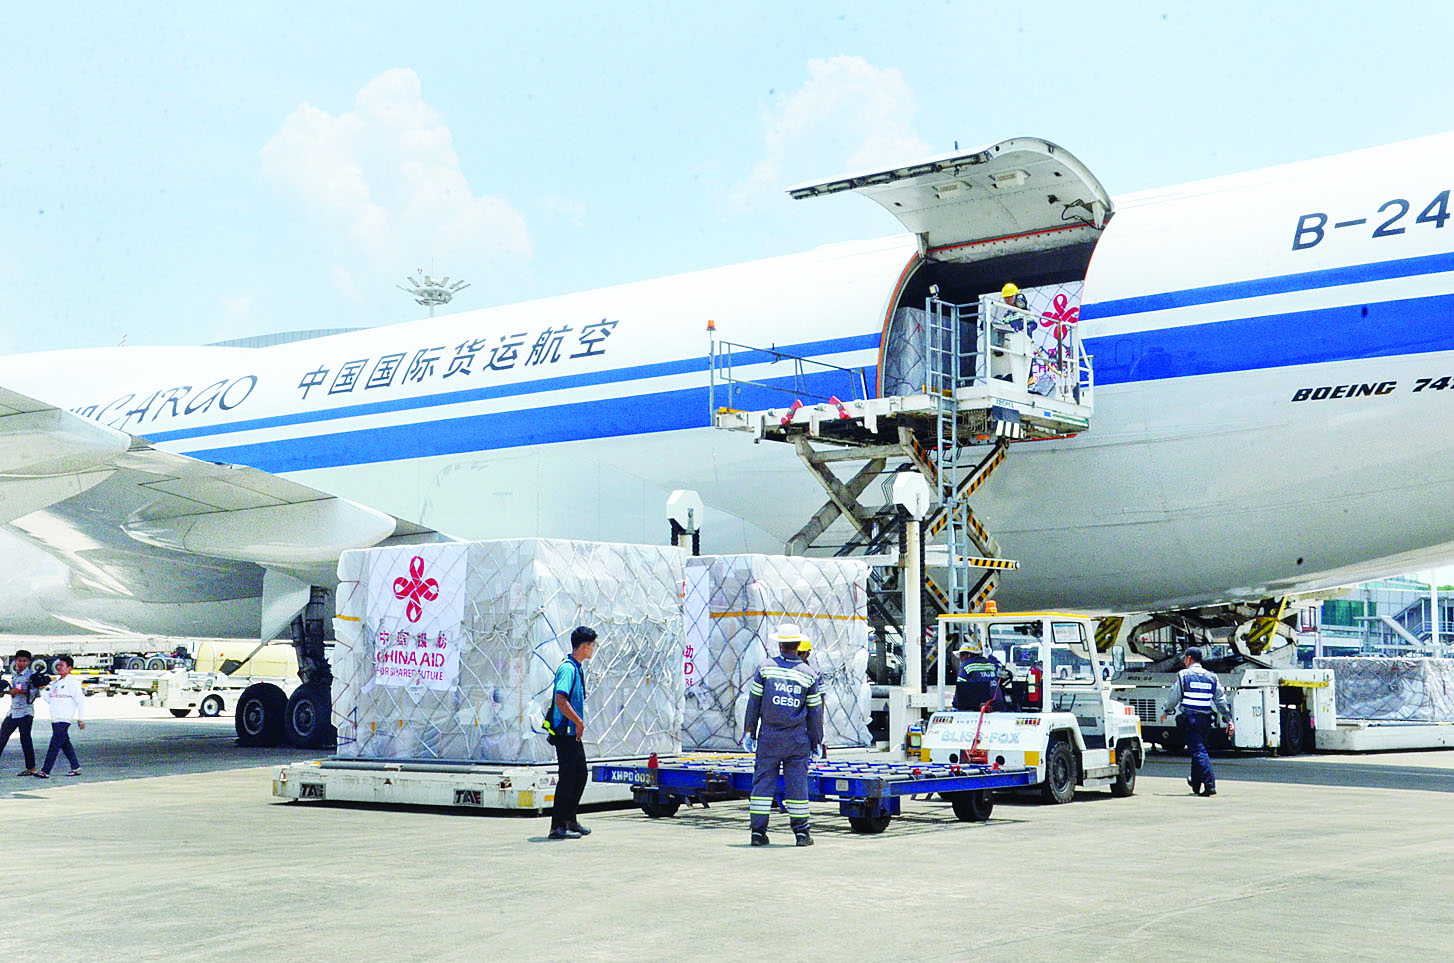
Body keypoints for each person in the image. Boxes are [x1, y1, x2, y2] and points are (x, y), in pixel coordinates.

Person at [742, 623, 823, 847]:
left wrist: (749, 731)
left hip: (769, 738)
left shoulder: (765, 668)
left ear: (779, 644)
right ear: (799, 645)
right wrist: (817, 741)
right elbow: (815, 713)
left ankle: (758, 834)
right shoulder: (809, 675)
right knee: (797, 785)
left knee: (762, 785)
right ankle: (802, 834)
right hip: (797, 740)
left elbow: (754, 703)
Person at [1161, 647, 1232, 797]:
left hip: (1190, 719)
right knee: (1197, 749)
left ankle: (1209, 784)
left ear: (1189, 659)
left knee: (1198, 751)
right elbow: (1220, 700)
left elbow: (1174, 696)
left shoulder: (1183, 675)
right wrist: (1228, 718)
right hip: (1205, 720)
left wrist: (1166, 710)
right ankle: (1196, 783)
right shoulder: (1212, 677)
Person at [546, 626, 596, 840]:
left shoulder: (577, 668)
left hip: (572, 732)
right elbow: (560, 699)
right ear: (583, 646)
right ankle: (557, 825)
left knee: (580, 774)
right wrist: (578, 721)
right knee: (568, 778)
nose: (592, 650)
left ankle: (569, 819)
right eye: (591, 646)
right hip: (565, 732)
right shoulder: (568, 669)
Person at [36, 654, 84, 778]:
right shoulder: (56, 683)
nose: (59, 667)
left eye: (62, 665)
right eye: (58, 665)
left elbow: (80, 700)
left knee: (54, 745)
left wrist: (81, 718)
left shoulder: (72, 683)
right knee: (65, 743)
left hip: (64, 718)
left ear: (69, 668)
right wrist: (42, 689)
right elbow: (49, 699)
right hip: (55, 717)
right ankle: (75, 766)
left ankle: (45, 770)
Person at [1, 649, 38, 776]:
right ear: (15, 661)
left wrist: (19, 692)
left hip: (26, 712)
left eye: (24, 661)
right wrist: (8, 692)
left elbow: (34, 694)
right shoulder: (15, 675)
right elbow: (14, 692)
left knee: (25, 740)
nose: (21, 663)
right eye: (19, 660)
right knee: (2, 738)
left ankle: (31, 767)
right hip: (13, 711)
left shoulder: (32, 676)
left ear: (29, 662)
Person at [952, 641, 1013, 712]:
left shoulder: (966, 666)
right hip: (997, 705)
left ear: (969, 654)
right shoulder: (992, 664)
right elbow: (1005, 673)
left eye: (962, 655)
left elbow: (959, 688)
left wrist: (955, 705)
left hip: (976, 707)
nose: (960, 658)